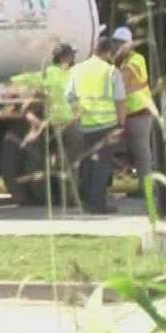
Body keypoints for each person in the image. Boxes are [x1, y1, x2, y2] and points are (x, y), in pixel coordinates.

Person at [5, 42, 80, 205]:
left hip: (51, 122)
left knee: (37, 160)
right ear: (67, 57)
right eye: (72, 55)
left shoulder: (48, 74)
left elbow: (22, 80)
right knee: (70, 163)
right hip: (69, 123)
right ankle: (70, 199)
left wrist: (12, 82)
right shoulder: (72, 74)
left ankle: (42, 196)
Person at [66, 36, 130, 214]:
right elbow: (120, 100)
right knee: (103, 164)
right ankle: (98, 203)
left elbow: (69, 97)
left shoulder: (77, 70)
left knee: (87, 163)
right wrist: (121, 123)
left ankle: (85, 200)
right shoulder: (111, 71)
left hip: (85, 124)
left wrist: (77, 115)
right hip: (107, 125)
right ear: (109, 52)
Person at [112, 25, 160, 204]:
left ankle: (148, 188)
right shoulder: (122, 61)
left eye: (121, 43)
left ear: (129, 44)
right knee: (134, 153)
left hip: (140, 112)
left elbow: (123, 79)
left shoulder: (136, 59)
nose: (118, 46)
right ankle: (143, 186)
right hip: (130, 113)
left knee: (142, 153)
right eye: (116, 43)